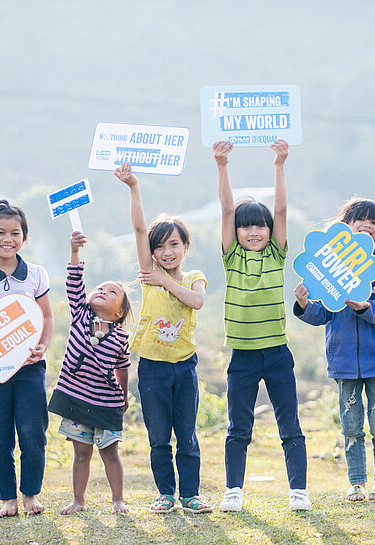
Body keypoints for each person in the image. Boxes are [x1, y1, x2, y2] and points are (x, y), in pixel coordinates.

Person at [213, 139, 310, 512]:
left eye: (260, 227)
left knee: (290, 425)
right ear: (236, 232)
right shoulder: (231, 257)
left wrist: (280, 164)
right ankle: (233, 490)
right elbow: (225, 208)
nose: (253, 233)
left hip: (277, 353)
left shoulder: (276, 253)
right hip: (243, 356)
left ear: (270, 230)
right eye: (246, 227)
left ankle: (298, 490)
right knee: (239, 427)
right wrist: (222, 165)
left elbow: (282, 208)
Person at [116, 162, 211, 514]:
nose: (167, 252)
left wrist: (166, 282)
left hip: (185, 366)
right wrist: (133, 186)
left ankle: (191, 494)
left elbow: (196, 301)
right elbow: (140, 229)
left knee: (186, 435)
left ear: (186, 246)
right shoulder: (148, 271)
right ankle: (166, 495)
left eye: (174, 244)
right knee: (159, 438)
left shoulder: (194, 277)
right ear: (153, 253)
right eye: (160, 247)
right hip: (153, 367)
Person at [294, 198, 375, 503]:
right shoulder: (329, 266)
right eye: (361, 219)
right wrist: (303, 305)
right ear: (346, 225)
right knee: (351, 426)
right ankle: (356, 483)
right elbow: (322, 314)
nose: (368, 225)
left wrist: (367, 306)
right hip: (343, 363)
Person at [0, 200, 54, 517]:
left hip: (30, 369)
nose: (8, 239)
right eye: (0, 232)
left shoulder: (35, 274)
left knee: (33, 433)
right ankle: (8, 499)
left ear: (24, 238)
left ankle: (30, 495)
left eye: (15, 233)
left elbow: (46, 318)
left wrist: (42, 346)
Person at [48, 231, 132, 514]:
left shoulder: (120, 337)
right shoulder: (81, 315)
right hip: (75, 399)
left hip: (106, 401)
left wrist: (124, 395)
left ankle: (118, 499)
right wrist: (74, 253)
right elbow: (74, 283)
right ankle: (78, 501)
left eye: (111, 293)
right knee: (81, 454)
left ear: (119, 312)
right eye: (99, 288)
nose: (102, 291)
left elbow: (122, 367)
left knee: (110, 453)